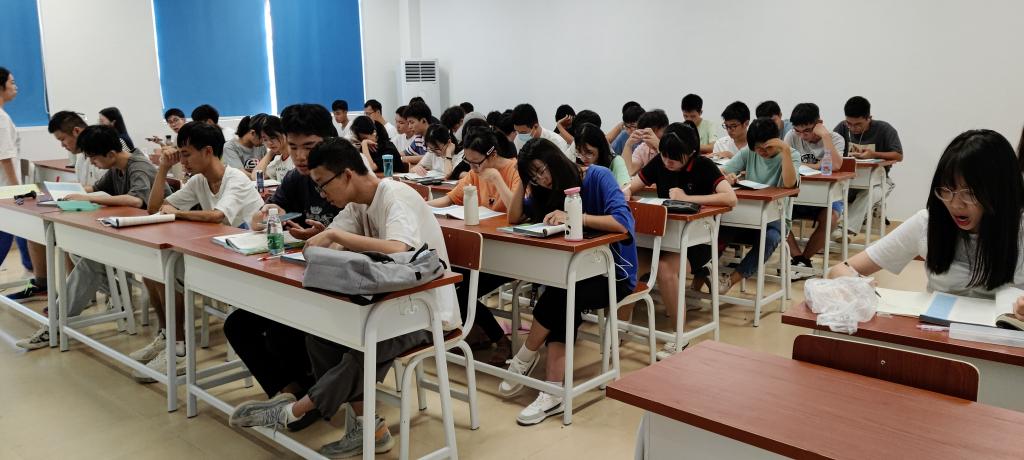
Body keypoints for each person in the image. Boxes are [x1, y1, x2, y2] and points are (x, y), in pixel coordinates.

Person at [228, 137, 459, 458]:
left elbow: (399, 249)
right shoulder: (356, 204)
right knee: (321, 337)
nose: (322, 194)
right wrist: (321, 238)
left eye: (323, 184)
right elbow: (328, 243)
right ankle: (369, 429)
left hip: (424, 311)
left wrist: (335, 235)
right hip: (385, 302)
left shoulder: (395, 195)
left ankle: (294, 411)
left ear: (347, 175)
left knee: (363, 349)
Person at [500, 138, 638, 426]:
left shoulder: (597, 176)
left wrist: (575, 217)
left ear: (555, 160)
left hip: (614, 275)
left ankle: (525, 357)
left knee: (561, 295)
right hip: (571, 275)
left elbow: (622, 224)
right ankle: (553, 391)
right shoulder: (545, 189)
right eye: (534, 176)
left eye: (542, 170)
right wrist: (523, 179)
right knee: (563, 295)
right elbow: (513, 216)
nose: (541, 179)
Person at [829, 130, 1024, 312]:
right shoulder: (928, 224)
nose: (955, 204)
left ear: (1000, 191)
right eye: (947, 190)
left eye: (969, 193)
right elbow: (839, 269)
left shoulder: (1020, 230)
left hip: (1002, 335)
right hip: (938, 331)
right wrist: (854, 283)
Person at [17, 125, 170, 350]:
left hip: (156, 238)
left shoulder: (139, 166)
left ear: (111, 154)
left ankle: (55, 324)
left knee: (89, 263)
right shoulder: (117, 167)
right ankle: (116, 292)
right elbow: (95, 188)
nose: (92, 163)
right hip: (131, 233)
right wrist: (63, 193)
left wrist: (90, 198)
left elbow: (136, 200)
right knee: (79, 252)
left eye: (94, 157)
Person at [137, 121, 263, 382]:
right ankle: (169, 338)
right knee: (153, 270)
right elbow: (154, 208)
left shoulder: (236, 178)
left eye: (186, 154)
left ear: (207, 151)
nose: (182, 161)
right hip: (222, 254)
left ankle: (178, 348)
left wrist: (177, 214)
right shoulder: (199, 181)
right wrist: (163, 169)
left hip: (252, 263)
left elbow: (217, 215)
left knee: (170, 271)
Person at [626, 122, 735, 357]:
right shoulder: (660, 161)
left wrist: (688, 198)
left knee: (665, 269)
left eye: (674, 158)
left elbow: (730, 198)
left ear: (691, 152)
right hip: (662, 238)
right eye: (665, 155)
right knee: (630, 263)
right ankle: (619, 329)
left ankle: (679, 336)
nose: (668, 161)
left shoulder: (704, 165)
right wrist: (625, 192)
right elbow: (633, 186)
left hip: (696, 243)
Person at [431, 127, 519, 365]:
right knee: (449, 284)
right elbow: (449, 199)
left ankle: (500, 339)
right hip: (479, 250)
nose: (473, 168)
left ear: (492, 154)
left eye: (476, 163)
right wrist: (422, 207)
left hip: (507, 255)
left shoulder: (514, 170)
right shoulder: (474, 172)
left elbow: (516, 212)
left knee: (461, 292)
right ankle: (480, 333)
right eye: (468, 162)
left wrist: (497, 179)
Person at [7, 111, 106, 302]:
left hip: (102, 213)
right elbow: (86, 186)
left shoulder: (101, 151)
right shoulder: (81, 157)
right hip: (87, 208)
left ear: (76, 131)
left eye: (63, 140)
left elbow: (104, 190)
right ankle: (42, 285)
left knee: (64, 235)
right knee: (35, 229)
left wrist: (75, 194)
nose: (62, 145)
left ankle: (77, 295)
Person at [718, 118, 799, 294]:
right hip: (746, 217)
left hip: (776, 219)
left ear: (777, 140)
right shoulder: (749, 152)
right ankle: (701, 276)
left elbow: (789, 184)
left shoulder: (791, 154)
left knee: (770, 238)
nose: (762, 152)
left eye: (767, 147)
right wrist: (726, 179)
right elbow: (721, 172)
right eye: (758, 148)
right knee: (719, 230)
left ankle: (730, 280)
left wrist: (785, 150)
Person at [784, 103, 846, 276]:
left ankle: (804, 259)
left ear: (819, 123)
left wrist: (825, 136)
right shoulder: (791, 136)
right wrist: (819, 165)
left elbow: (835, 165)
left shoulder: (835, 138)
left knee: (831, 218)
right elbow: (785, 163)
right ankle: (799, 259)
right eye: (798, 131)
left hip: (827, 196)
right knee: (777, 214)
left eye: (807, 131)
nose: (802, 136)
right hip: (798, 196)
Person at [833, 96, 903, 237]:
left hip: (878, 181)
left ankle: (844, 229)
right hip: (848, 181)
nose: (853, 128)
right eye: (849, 123)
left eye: (858, 124)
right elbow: (830, 151)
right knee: (829, 190)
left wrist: (873, 154)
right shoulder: (842, 128)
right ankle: (835, 232)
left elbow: (898, 155)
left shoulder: (884, 129)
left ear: (869, 118)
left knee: (871, 193)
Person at [0, 67, 37, 299]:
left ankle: (34, 274)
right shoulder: (1, 119)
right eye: (12, 82)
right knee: (8, 232)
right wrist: (17, 191)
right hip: (6, 189)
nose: (16, 86)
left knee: (24, 230)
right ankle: (35, 275)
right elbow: (5, 157)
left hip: (5, 188)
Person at [575, 122, 630, 189]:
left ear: (600, 148)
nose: (583, 158)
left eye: (589, 153)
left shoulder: (615, 162)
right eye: (579, 152)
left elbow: (626, 188)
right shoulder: (578, 166)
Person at [250, 114, 294, 181]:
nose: (269, 143)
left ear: (285, 134)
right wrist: (270, 153)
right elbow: (255, 177)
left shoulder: (295, 158)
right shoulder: (277, 160)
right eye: (265, 139)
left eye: (273, 137)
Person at [626, 109, 669, 175]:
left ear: (666, 130)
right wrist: (628, 145)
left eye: (654, 131)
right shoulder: (643, 148)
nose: (652, 136)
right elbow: (629, 172)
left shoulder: (675, 144)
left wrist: (659, 146)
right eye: (647, 133)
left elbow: (672, 171)